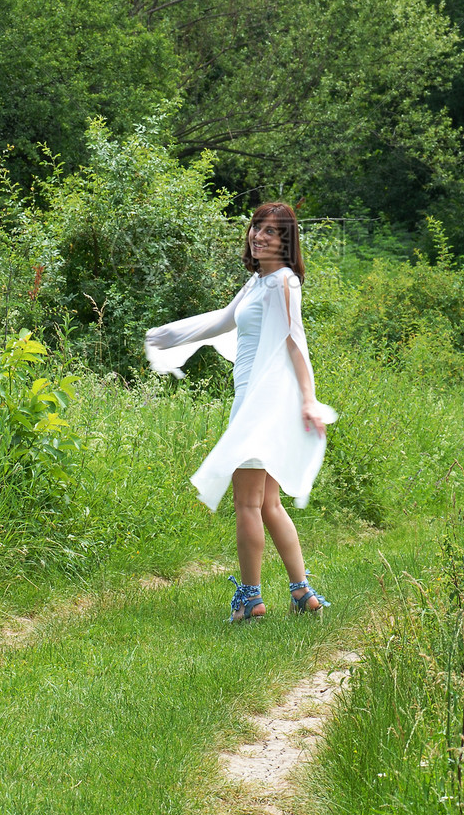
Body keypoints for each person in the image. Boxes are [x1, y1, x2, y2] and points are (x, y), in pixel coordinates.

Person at [144, 202, 337, 622]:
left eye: (271, 232)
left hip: (262, 402)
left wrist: (309, 399)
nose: (259, 236)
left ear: (286, 243)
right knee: (268, 504)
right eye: (256, 228)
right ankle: (302, 593)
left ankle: (250, 600)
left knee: (247, 503)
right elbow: (220, 322)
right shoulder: (258, 283)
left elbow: (295, 342)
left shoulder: (283, 282)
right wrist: (165, 336)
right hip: (255, 399)